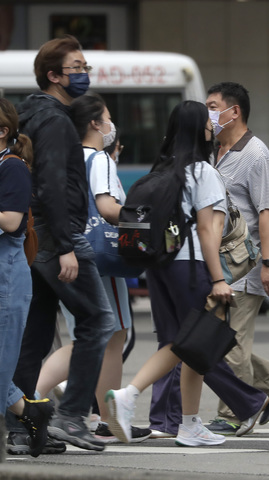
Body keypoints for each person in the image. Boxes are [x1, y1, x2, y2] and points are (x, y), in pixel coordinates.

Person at [104, 101, 268, 447]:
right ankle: (128, 395)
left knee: (183, 343)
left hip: (159, 266)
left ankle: (190, 425)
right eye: (208, 124)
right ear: (201, 130)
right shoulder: (203, 172)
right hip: (189, 266)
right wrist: (219, 279)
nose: (213, 128)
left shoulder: (162, 170)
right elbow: (209, 230)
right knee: (189, 341)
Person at [11, 35, 116, 452]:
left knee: (33, 337)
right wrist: (69, 244)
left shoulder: (29, 115)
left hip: (33, 244)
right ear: (53, 76)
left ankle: (22, 428)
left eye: (84, 65)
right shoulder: (56, 121)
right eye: (76, 67)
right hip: (57, 242)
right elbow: (52, 185)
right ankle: (71, 416)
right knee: (97, 322)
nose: (83, 74)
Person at [33, 93, 150, 444]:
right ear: (96, 124)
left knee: (96, 333)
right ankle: (100, 417)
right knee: (108, 334)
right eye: (108, 118)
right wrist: (145, 219)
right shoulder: (99, 158)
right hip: (99, 258)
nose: (112, 125)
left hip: (65, 252)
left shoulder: (68, 155)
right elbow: (107, 206)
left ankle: (99, 415)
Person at [200, 81, 269, 436]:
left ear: (233, 111)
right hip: (216, 266)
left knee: (233, 342)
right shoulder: (212, 151)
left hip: (245, 264)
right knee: (213, 339)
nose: (208, 114)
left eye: (212, 106)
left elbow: (267, 213)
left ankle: (234, 412)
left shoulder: (256, 154)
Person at [0, 98, 55, 459]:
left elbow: (10, 221)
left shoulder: (13, 167)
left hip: (7, 279)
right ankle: (32, 412)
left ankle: (31, 413)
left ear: (3, 131)